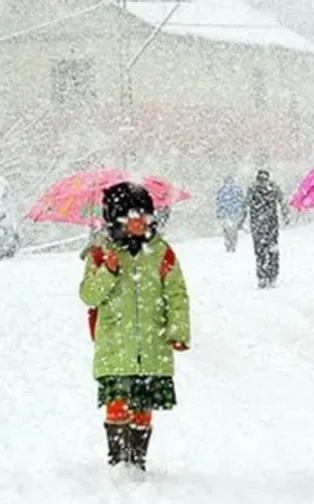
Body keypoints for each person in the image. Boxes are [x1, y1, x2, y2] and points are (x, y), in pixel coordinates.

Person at [79, 182, 191, 475]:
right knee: (117, 403)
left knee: (143, 405)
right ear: (116, 219)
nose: (141, 222)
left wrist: (178, 330)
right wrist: (109, 270)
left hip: (151, 346)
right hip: (115, 346)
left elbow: (177, 293)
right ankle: (118, 461)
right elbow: (89, 295)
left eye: (145, 216)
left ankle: (137, 460)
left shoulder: (161, 252)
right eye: (133, 216)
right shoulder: (100, 254)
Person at [246, 169, 287, 288]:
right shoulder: (273, 188)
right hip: (270, 224)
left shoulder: (253, 189)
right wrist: (285, 214)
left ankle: (263, 276)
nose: (262, 182)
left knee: (261, 251)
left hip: (259, 224)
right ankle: (271, 275)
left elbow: (245, 205)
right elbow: (282, 202)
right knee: (270, 250)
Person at [216, 174, 247, 252]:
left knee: (226, 230)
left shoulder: (221, 190)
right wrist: (241, 212)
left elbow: (219, 202)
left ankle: (228, 244)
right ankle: (233, 244)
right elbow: (241, 201)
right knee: (234, 230)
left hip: (225, 213)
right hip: (235, 213)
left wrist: (219, 213)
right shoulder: (238, 190)